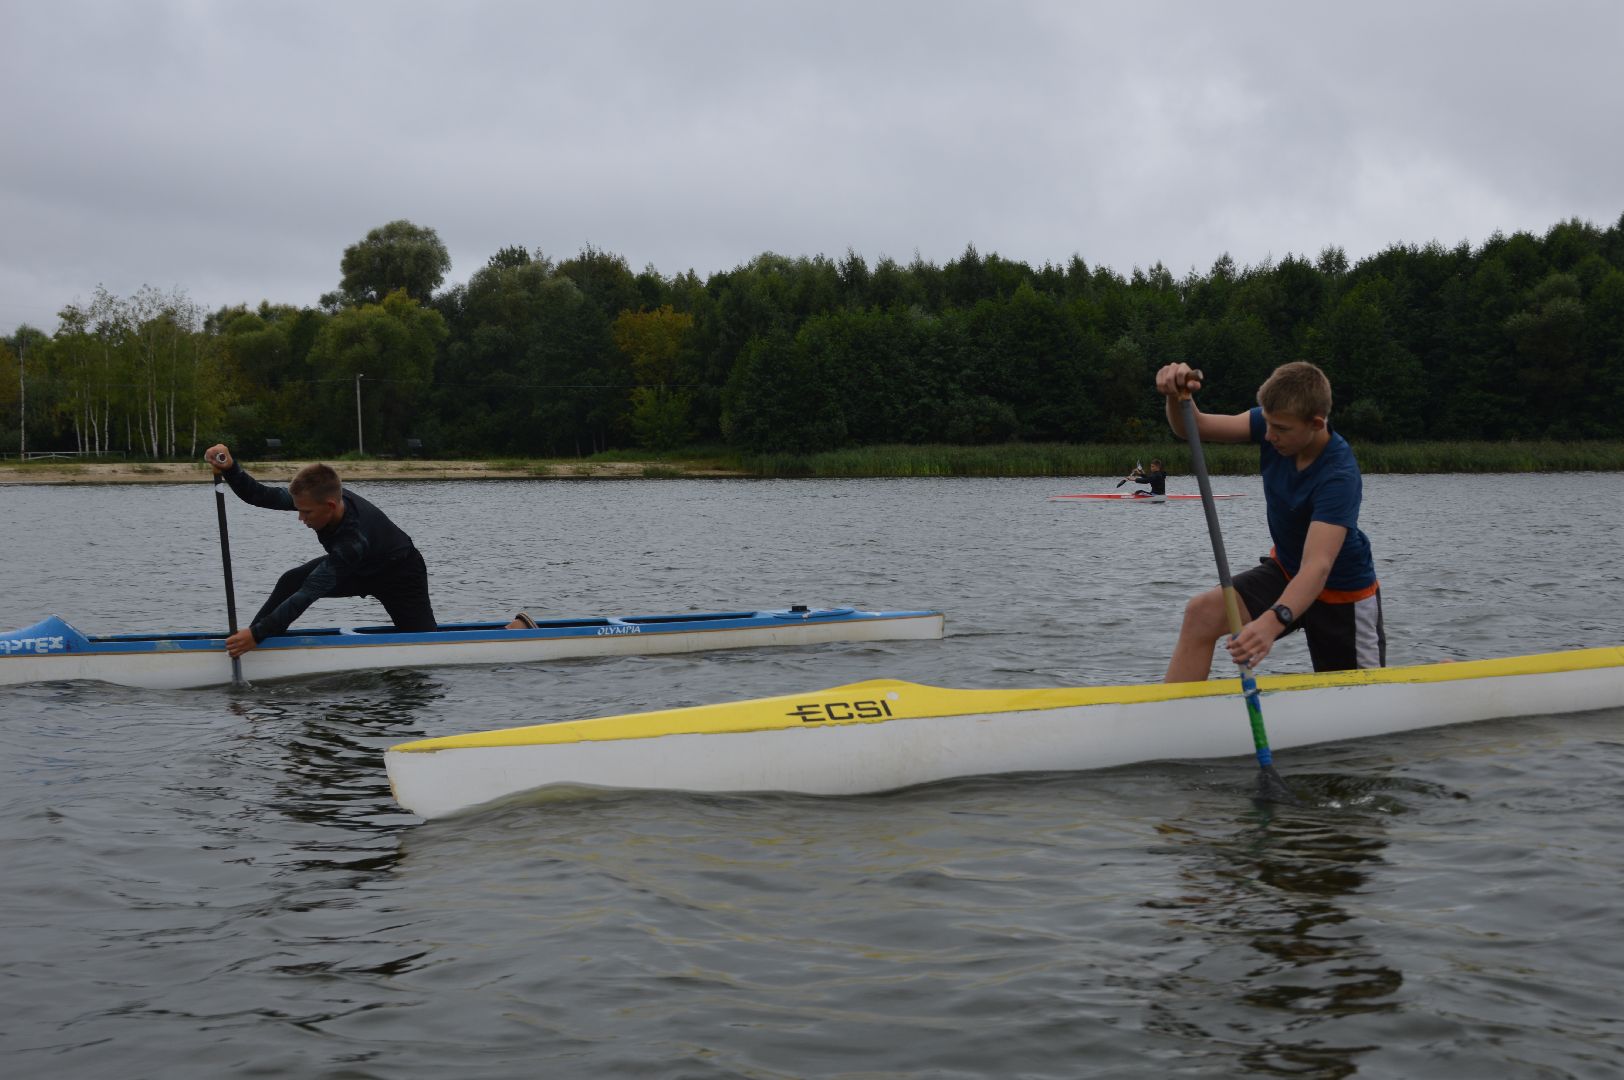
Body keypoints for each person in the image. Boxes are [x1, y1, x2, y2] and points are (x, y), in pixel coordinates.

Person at [1155, 361, 1384, 682]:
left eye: (1282, 429)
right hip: (1287, 572)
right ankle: (1172, 719)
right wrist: (1177, 397)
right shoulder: (1271, 423)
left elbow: (1318, 566)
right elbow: (1193, 426)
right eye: (1268, 424)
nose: (1270, 435)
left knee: (1362, 705)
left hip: (1342, 594)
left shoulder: (1338, 475)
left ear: (1316, 423)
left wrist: (1272, 620)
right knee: (1201, 614)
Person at [205, 446, 437, 657]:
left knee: (426, 645)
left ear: (330, 507)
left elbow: (308, 594)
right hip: (358, 568)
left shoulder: (352, 540)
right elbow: (260, 495)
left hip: (400, 576)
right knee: (291, 581)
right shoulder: (314, 497)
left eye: (306, 513)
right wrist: (231, 469)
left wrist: (257, 633)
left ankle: (254, 637)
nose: (301, 518)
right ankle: (249, 646)